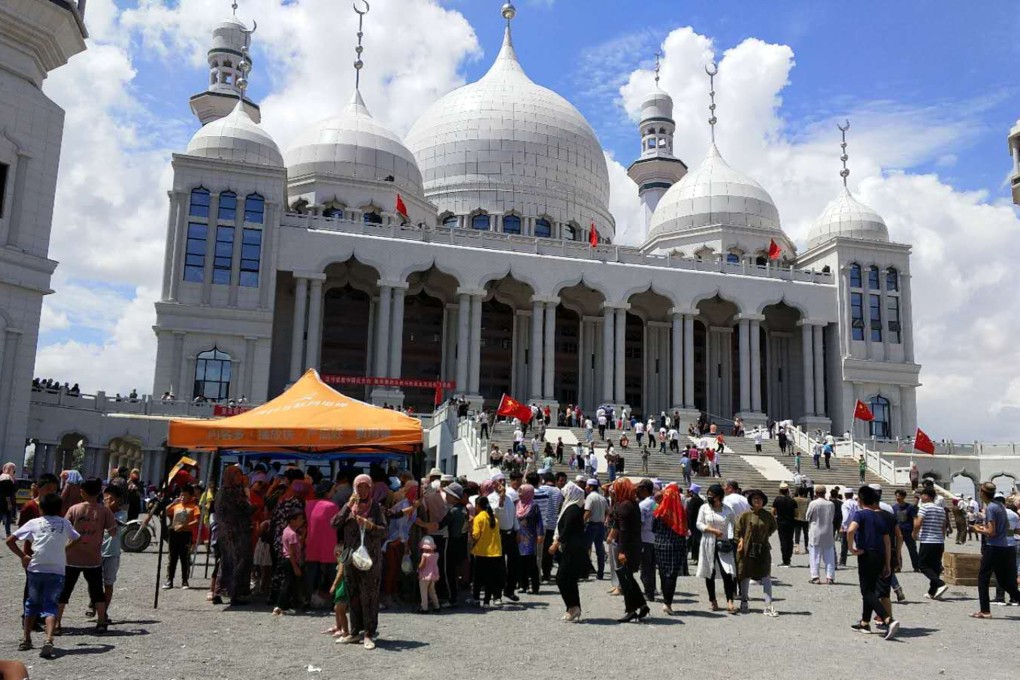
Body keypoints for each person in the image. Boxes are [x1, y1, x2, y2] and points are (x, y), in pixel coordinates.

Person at [6, 493, 80, 658]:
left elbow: (10, 540)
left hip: (36, 569)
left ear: (41, 509)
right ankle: (48, 639)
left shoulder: (34, 523)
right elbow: (77, 538)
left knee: (32, 603)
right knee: (51, 606)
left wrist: (23, 556)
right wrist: (64, 549)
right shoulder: (65, 523)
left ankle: (26, 639)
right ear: (60, 509)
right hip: (57, 570)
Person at [331, 474, 386, 649]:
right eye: (359, 487)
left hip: (370, 557)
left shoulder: (376, 507)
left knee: (369, 595)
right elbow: (334, 523)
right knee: (352, 594)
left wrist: (370, 526)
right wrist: (348, 505)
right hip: (349, 557)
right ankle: (354, 632)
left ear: (370, 488)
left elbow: (384, 531)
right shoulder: (349, 507)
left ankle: (369, 633)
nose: (362, 490)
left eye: (365, 487)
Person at [58, 477, 117, 634]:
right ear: (99, 492)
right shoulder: (104, 511)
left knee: (64, 590)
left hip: (71, 557)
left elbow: (63, 529)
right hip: (93, 558)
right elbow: (113, 532)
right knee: (97, 590)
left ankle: (56, 623)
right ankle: (101, 621)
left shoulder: (74, 509)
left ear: (82, 492)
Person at [846, 485, 899, 639]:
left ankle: (887, 619)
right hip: (880, 554)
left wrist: (851, 548)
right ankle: (865, 622)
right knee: (870, 589)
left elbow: (851, 530)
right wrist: (887, 563)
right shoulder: (880, 516)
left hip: (866, 554)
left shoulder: (861, 514)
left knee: (867, 591)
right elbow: (887, 541)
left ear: (861, 500)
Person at [971, 482, 1020, 617]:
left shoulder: (991, 508)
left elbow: (991, 532)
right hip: (1005, 546)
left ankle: (985, 610)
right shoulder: (1000, 506)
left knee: (983, 578)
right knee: (1004, 582)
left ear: (982, 493)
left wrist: (977, 529)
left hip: (994, 547)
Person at [214, 465, 254, 605]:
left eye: (240, 474)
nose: (239, 477)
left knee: (227, 561)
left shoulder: (223, 491)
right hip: (235, 533)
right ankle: (234, 594)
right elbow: (247, 508)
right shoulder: (232, 492)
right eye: (236, 475)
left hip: (227, 532)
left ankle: (220, 591)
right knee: (237, 562)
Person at [736, 489, 778, 616]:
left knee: (765, 575)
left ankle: (768, 605)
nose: (757, 501)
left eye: (759, 499)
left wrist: (765, 535)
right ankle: (744, 601)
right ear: (751, 501)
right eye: (754, 498)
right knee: (745, 573)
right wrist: (741, 540)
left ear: (763, 501)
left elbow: (773, 527)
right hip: (747, 548)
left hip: (762, 547)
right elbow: (738, 529)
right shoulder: (745, 515)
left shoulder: (768, 515)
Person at [696, 484, 737, 613]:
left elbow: (734, 525)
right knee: (710, 571)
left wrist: (733, 538)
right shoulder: (704, 508)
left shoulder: (728, 509)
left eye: (712, 496)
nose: (709, 498)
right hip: (708, 542)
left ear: (719, 497)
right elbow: (699, 524)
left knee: (727, 572)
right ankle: (713, 600)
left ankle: (730, 601)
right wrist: (712, 530)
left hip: (724, 543)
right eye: (708, 495)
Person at [612, 478, 649, 622]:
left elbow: (624, 531)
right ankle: (642, 604)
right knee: (629, 578)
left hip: (627, 548)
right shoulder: (632, 503)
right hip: (634, 546)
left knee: (626, 580)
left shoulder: (625, 505)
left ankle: (631, 610)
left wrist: (622, 551)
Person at [550, 482, 587, 622]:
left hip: (572, 548)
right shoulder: (572, 507)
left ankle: (572, 606)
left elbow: (567, 529)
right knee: (570, 579)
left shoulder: (573, 509)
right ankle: (573, 608)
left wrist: (556, 543)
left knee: (562, 577)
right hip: (572, 548)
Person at [652, 483, 688, 614]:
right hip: (676, 546)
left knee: (663, 573)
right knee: (671, 575)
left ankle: (665, 600)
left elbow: (653, 528)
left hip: (660, 545)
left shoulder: (659, 510)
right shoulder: (680, 512)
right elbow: (685, 529)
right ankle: (668, 603)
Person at [912, 487, 950, 601]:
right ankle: (932, 592)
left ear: (927, 496)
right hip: (939, 541)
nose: (921, 497)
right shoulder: (941, 509)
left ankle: (940, 583)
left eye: (922, 495)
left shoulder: (924, 507)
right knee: (935, 566)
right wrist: (942, 537)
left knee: (922, 565)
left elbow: (918, 523)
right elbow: (943, 526)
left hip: (928, 540)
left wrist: (914, 534)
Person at [97, 485, 126, 625]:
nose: (107, 499)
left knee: (108, 583)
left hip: (112, 552)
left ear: (118, 499)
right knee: (95, 583)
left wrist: (107, 509)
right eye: (105, 496)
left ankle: (104, 611)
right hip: (96, 551)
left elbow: (114, 525)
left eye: (110, 497)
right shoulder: (99, 510)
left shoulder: (121, 514)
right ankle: (95, 604)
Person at [163, 484, 200, 590]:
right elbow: (165, 512)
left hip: (186, 534)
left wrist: (184, 526)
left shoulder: (194, 507)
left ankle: (185, 580)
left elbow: (197, 521)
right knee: (172, 557)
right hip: (174, 533)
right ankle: (169, 580)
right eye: (181, 495)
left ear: (191, 496)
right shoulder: (177, 505)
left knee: (185, 558)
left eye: (185, 495)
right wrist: (172, 503)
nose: (182, 497)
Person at [470, 495, 504, 607]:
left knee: (478, 577)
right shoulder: (494, 518)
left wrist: (470, 528)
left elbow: (475, 535)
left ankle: (476, 598)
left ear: (478, 506)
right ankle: (487, 601)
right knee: (491, 577)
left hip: (482, 551)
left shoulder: (478, 518)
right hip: (495, 551)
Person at [273, 508, 305, 615]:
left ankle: (284, 606)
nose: (301, 521)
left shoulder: (287, 530)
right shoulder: (292, 534)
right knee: (288, 584)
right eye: (299, 519)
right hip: (291, 561)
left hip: (287, 560)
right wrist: (295, 566)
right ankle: (281, 606)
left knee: (289, 583)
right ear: (292, 520)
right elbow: (291, 552)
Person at [516, 483, 544, 594]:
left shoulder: (534, 506)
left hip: (530, 537)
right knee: (520, 562)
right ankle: (523, 585)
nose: (519, 494)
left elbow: (539, 521)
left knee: (531, 563)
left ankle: (534, 586)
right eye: (519, 491)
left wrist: (540, 534)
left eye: (521, 492)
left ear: (528, 493)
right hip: (519, 536)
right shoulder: (517, 504)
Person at [806, 485, 836, 584]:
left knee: (814, 556)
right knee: (829, 556)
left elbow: (807, 517)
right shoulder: (831, 504)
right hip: (828, 531)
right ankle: (830, 577)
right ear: (825, 493)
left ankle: (815, 577)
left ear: (816, 493)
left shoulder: (813, 503)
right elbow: (832, 517)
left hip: (816, 532)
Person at [583, 480, 609, 579]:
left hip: (592, 525)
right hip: (601, 526)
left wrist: (582, 523)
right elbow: (608, 511)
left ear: (591, 487)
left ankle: (585, 571)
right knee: (600, 551)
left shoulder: (590, 497)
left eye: (587, 486)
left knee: (584, 549)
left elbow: (587, 512)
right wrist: (605, 520)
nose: (585, 487)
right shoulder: (602, 498)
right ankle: (600, 573)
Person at [637, 479, 657, 602]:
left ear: (644, 489)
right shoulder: (655, 503)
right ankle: (652, 589)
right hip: (654, 538)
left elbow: (640, 523)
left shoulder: (643, 505)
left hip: (644, 538)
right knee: (651, 567)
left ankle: (649, 592)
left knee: (645, 568)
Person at [893, 489, 919, 572]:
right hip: (898, 532)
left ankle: (916, 566)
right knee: (897, 550)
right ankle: (897, 566)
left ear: (904, 497)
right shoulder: (894, 507)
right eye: (896, 496)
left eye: (899, 496)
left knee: (912, 549)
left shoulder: (910, 507)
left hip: (908, 531)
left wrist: (915, 531)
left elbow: (915, 519)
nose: (897, 497)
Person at [772, 482, 796, 567]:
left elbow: (773, 511)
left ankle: (785, 560)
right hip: (791, 522)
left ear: (780, 490)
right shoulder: (792, 500)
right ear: (787, 491)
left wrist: (775, 517)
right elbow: (796, 513)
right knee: (790, 540)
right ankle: (788, 558)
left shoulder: (777, 499)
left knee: (783, 541)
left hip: (781, 522)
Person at [326, 553, 350, 639]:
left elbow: (340, 573)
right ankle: (338, 627)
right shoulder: (343, 561)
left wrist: (334, 585)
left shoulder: (342, 562)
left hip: (342, 588)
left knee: (341, 610)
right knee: (337, 608)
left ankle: (345, 631)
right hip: (340, 588)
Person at [417, 536, 441, 613]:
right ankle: (437, 606)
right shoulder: (436, 555)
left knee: (423, 593)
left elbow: (422, 565)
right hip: (432, 576)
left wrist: (418, 569)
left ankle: (424, 608)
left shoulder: (424, 555)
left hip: (424, 576)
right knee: (432, 592)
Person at [686, 484, 704, 566]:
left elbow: (690, 513)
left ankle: (696, 558)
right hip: (698, 523)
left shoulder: (693, 500)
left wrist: (688, 524)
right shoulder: (700, 500)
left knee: (694, 542)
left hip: (693, 524)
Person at [0, 462, 17, 537]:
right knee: (8, 518)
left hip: (1, 501)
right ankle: (8, 534)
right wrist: (9, 503)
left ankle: (8, 533)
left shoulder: (1, 477)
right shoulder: (8, 479)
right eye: (13, 469)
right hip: (5, 502)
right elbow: (7, 493)